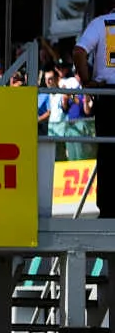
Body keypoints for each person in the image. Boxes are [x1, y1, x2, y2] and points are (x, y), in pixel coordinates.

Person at [71, 15, 114, 219]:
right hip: (107, 94)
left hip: (108, 96)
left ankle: (108, 209)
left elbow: (79, 52)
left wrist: (87, 82)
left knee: (107, 152)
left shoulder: (101, 23)